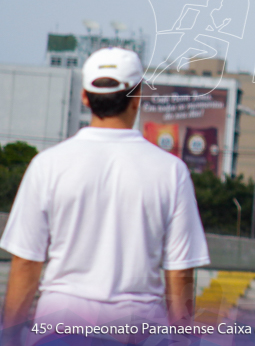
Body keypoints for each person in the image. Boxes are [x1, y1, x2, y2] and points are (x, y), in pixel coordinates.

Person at [0, 48, 210, 336]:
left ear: (85, 97)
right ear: (137, 98)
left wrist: (10, 337)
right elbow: (180, 272)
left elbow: (25, 263)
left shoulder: (46, 165)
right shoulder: (172, 172)